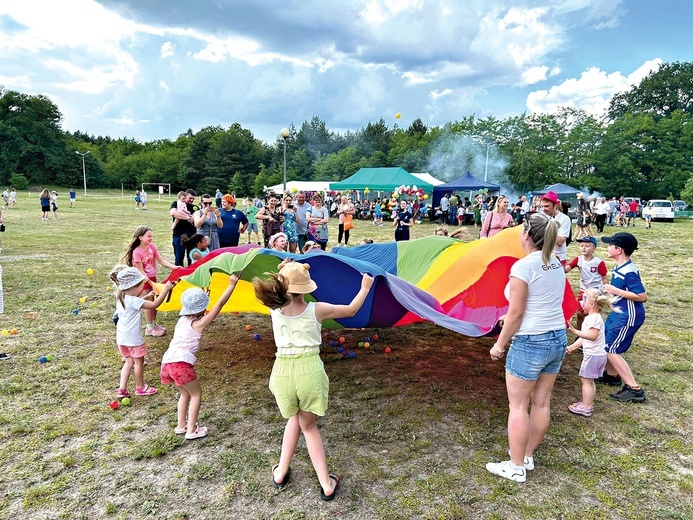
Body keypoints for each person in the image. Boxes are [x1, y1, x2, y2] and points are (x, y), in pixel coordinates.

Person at [253, 260, 374, 500]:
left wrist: (282, 270)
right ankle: (326, 483)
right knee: (308, 426)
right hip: (309, 371)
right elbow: (351, 310)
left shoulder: (274, 309)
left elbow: (281, 286)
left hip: (283, 372)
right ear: (307, 288)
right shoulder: (317, 309)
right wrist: (365, 287)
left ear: (282, 287)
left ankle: (281, 471)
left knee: (293, 419)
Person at [486, 211, 565, 483]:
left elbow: (517, 312)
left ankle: (515, 465)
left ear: (527, 236)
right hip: (556, 337)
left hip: (531, 341)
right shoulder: (554, 262)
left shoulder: (523, 267)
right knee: (541, 402)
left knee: (518, 406)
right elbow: (539, 302)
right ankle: (527, 455)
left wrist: (499, 344)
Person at [161, 276, 239, 440]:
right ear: (202, 309)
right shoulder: (199, 323)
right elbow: (219, 305)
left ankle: (181, 425)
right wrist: (232, 284)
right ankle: (191, 430)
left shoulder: (182, 320)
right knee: (196, 394)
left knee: (185, 394)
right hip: (181, 364)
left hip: (167, 362)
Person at [110, 266, 175, 400]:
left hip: (121, 339)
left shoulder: (120, 296)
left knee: (128, 362)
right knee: (138, 363)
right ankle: (141, 387)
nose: (142, 288)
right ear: (133, 287)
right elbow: (155, 304)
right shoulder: (134, 301)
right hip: (133, 340)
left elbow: (135, 303)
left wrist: (146, 296)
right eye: (140, 286)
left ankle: (122, 389)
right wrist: (166, 290)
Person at [597, 233, 647, 402]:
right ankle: (611, 376)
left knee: (611, 349)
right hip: (618, 312)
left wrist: (615, 291)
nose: (607, 247)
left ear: (618, 250)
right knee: (606, 343)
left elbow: (641, 296)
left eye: (610, 245)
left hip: (627, 316)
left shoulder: (629, 271)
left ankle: (634, 389)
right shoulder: (621, 267)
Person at [566, 288, 614, 417]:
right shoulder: (593, 318)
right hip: (598, 355)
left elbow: (592, 336)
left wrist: (575, 331)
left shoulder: (593, 319)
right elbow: (584, 337)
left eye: (584, 300)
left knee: (586, 381)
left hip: (593, 356)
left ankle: (586, 406)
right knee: (590, 381)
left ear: (592, 304)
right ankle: (589, 403)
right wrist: (572, 347)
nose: (581, 302)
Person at [124, 226, 179, 337]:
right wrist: (147, 280)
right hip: (142, 281)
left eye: (151, 236)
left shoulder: (152, 247)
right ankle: (149, 327)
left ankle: (154, 324)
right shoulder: (136, 252)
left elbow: (161, 261)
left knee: (155, 300)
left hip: (152, 279)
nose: (151, 238)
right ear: (140, 237)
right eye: (149, 236)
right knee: (149, 302)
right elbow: (140, 270)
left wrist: (175, 267)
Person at [564, 236, 608, 329]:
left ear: (594, 249)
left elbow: (604, 277)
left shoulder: (599, 262)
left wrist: (606, 290)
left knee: (594, 313)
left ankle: (594, 331)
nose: (583, 248)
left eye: (587, 246)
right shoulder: (578, 259)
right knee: (580, 313)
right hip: (583, 290)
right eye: (581, 246)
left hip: (595, 291)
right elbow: (566, 270)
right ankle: (579, 333)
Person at [539, 191, 571, 265]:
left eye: (547, 206)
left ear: (555, 206)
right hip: (542, 256)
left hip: (558, 257)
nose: (543, 209)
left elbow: (560, 242)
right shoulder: (540, 216)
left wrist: (545, 230)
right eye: (542, 206)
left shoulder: (564, 219)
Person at [170, 189, 197, 267]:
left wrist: (194, 219)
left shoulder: (195, 207)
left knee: (191, 259)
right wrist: (188, 218)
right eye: (190, 198)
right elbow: (174, 213)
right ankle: (178, 277)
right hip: (179, 235)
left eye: (193, 199)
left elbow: (197, 220)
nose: (191, 200)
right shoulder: (176, 203)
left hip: (192, 236)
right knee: (179, 259)